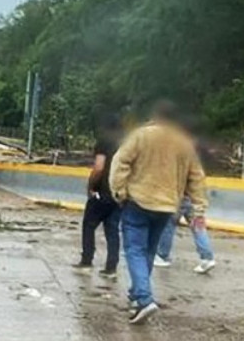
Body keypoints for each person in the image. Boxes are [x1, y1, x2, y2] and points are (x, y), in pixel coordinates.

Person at [109, 101, 208, 324]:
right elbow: (196, 177)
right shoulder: (184, 143)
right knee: (149, 252)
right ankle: (136, 296)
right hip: (166, 207)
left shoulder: (141, 135)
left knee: (134, 250)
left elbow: (120, 161)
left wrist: (119, 192)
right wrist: (199, 207)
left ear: (154, 116)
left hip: (138, 202)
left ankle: (144, 299)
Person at [74, 115, 123, 278]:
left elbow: (99, 167)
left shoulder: (104, 142)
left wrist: (91, 186)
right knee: (113, 229)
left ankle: (87, 261)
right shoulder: (126, 144)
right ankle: (111, 267)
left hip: (102, 192)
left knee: (89, 224)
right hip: (119, 194)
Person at [154, 197, 216, 274]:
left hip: (177, 197)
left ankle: (162, 255)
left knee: (168, 224)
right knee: (198, 227)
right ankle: (207, 258)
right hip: (195, 199)